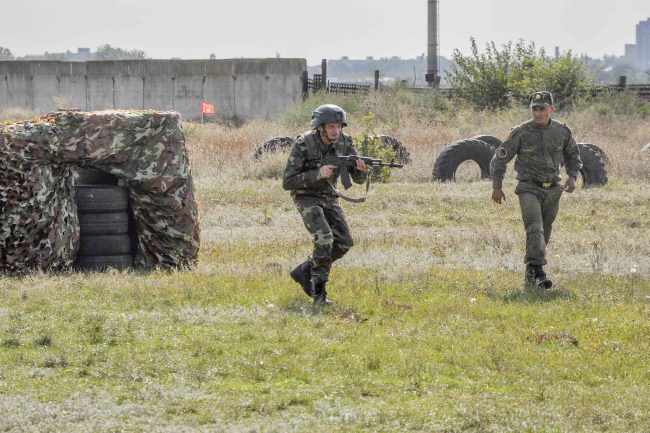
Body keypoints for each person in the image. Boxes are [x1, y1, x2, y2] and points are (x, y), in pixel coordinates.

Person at [490, 91, 582, 289]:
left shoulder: (561, 131)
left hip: (553, 189)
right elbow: (499, 159)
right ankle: (539, 271)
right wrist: (497, 186)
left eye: (542, 109)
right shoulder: (521, 132)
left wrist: (572, 177)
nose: (538, 113)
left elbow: (573, 155)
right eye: (534, 109)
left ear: (551, 109)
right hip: (528, 187)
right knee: (535, 227)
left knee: (544, 231)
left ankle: (531, 271)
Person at [283, 104, 371, 305]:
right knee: (325, 239)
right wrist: (317, 174)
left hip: (329, 196)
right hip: (306, 196)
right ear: (320, 127)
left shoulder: (345, 142)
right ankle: (319, 292)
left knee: (344, 243)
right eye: (331, 126)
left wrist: (361, 169)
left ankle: (305, 270)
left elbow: (357, 179)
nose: (336, 131)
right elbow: (287, 182)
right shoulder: (304, 143)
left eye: (339, 126)